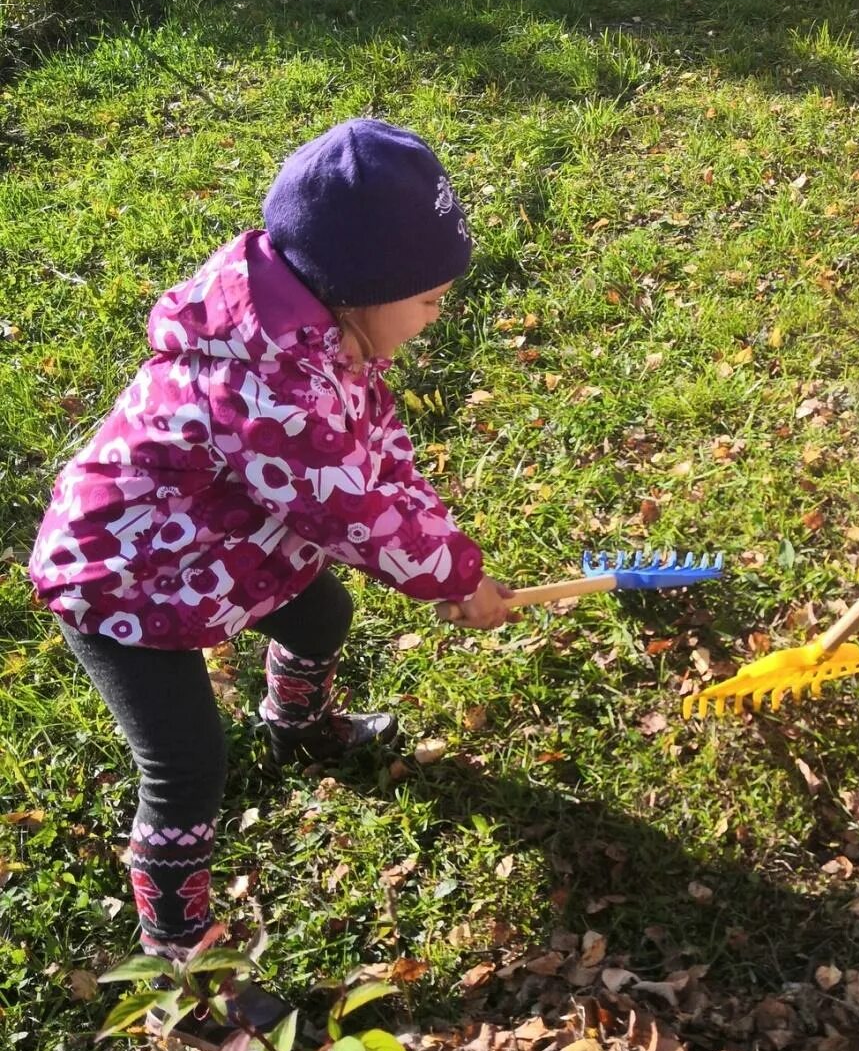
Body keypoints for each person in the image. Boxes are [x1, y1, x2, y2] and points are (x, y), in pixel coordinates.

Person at [29, 119, 513, 965]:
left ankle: (299, 725)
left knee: (319, 616)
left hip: (218, 547)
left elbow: (375, 453)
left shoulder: (319, 330)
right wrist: (452, 579)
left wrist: (448, 547)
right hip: (118, 581)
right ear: (362, 289)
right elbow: (352, 510)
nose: (439, 315)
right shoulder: (269, 387)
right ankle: (180, 951)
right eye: (430, 299)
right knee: (185, 764)